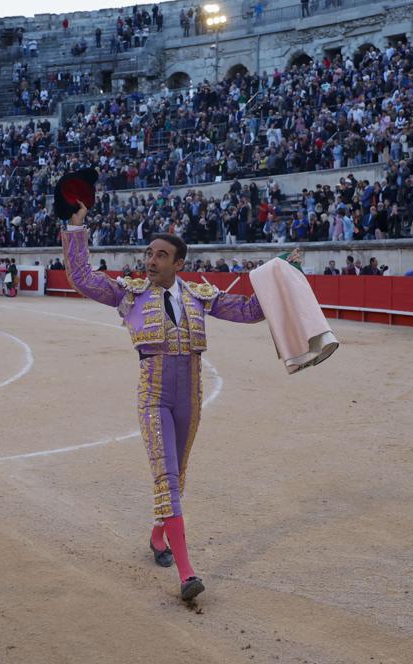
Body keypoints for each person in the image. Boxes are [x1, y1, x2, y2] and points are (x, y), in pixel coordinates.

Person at [61, 200, 265, 603]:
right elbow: (82, 278)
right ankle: (187, 573)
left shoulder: (200, 296)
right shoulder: (130, 294)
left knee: (180, 472)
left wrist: (282, 276)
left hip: (190, 396)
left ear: (179, 264)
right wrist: (75, 229)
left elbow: (249, 311)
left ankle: (158, 536)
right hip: (153, 396)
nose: (150, 261)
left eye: (160, 255)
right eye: (149, 254)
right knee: (166, 477)